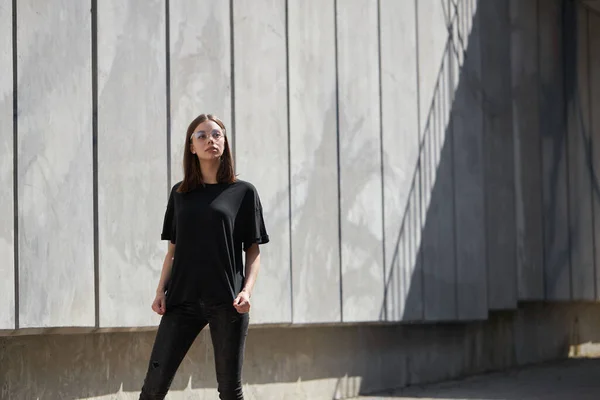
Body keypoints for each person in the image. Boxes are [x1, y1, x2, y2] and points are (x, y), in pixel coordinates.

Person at [139, 114, 269, 400]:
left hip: (227, 302)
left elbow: (253, 251)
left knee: (230, 392)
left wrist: (247, 291)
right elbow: (172, 251)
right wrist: (160, 290)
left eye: (217, 134)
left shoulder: (243, 192)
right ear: (191, 147)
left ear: (225, 143)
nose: (211, 139)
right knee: (153, 387)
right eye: (202, 135)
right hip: (181, 300)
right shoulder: (180, 194)